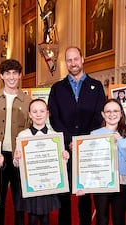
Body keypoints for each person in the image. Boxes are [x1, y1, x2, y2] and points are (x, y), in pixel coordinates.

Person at [48, 46, 106, 225]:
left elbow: (99, 116)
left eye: (75, 59)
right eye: (69, 60)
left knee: (84, 194)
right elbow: (54, 118)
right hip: (65, 148)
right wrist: (70, 140)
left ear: (82, 59)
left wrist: (82, 142)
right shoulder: (57, 88)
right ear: (66, 63)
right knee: (64, 194)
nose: (73, 63)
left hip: (87, 149)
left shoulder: (96, 86)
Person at [0, 59, 32, 225]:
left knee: (20, 199)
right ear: (2, 76)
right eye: (7, 73)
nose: (11, 77)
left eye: (15, 73)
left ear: (19, 75)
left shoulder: (28, 101)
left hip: (19, 156)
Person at [13, 98, 69, 225]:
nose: (38, 114)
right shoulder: (23, 135)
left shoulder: (55, 136)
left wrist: (64, 158)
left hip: (47, 183)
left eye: (42, 111)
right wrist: (16, 158)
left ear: (47, 113)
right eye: (35, 111)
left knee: (45, 218)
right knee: (32, 218)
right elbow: (16, 164)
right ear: (30, 115)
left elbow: (59, 165)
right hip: (31, 184)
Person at [88, 99, 126, 225]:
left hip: (122, 181)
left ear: (121, 114)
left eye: (115, 111)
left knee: (119, 219)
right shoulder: (94, 134)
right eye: (108, 111)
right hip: (101, 181)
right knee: (101, 218)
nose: (112, 114)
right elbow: (89, 161)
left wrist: (119, 141)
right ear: (103, 114)